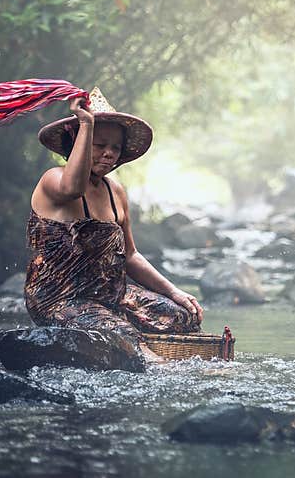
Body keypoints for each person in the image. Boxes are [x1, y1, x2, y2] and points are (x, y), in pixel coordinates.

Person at [24, 87, 203, 362]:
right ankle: (159, 365)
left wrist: (174, 291)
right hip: (60, 299)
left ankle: (145, 344)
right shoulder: (54, 179)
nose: (108, 153)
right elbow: (73, 187)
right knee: (123, 337)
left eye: (115, 148)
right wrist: (86, 122)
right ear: (78, 141)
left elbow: (130, 255)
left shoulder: (115, 190)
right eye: (99, 144)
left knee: (182, 316)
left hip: (110, 294)